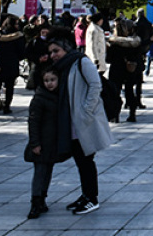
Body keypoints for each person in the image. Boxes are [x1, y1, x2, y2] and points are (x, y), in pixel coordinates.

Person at [47, 36, 113, 215]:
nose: (53, 55)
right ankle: (86, 195)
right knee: (81, 160)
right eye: (51, 51)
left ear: (65, 49)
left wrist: (86, 111)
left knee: (86, 160)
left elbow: (95, 85)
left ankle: (92, 198)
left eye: (56, 51)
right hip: (72, 121)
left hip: (83, 121)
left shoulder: (81, 62)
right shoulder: (63, 66)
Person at [25, 69, 68, 219]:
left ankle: (42, 198)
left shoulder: (60, 96)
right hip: (42, 142)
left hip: (52, 142)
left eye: (52, 80)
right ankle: (35, 201)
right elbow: (33, 121)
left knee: (48, 170)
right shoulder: (40, 98)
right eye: (46, 80)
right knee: (40, 172)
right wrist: (35, 143)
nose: (50, 83)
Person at [106, 19, 142, 123]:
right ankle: (132, 114)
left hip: (116, 70)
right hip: (129, 70)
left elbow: (108, 59)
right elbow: (138, 56)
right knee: (129, 91)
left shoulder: (114, 43)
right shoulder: (134, 43)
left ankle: (115, 116)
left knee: (115, 93)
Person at [0, 16, 27, 114]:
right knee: (9, 87)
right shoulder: (18, 36)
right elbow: (22, 52)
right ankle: (7, 106)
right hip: (11, 64)